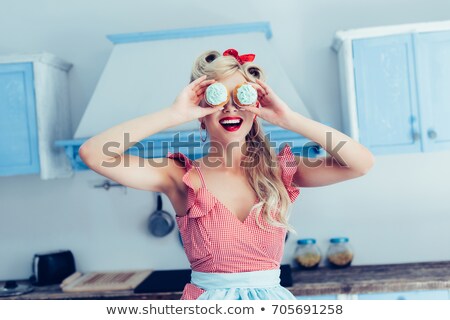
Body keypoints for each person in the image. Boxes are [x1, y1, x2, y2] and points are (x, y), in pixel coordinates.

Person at [79, 48, 375, 300]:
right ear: (201, 110)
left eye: (240, 97)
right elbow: (94, 154)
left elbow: (361, 163)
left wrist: (290, 119)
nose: (230, 108)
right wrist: (174, 114)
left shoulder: (280, 170)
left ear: (255, 107)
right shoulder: (178, 176)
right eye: (218, 99)